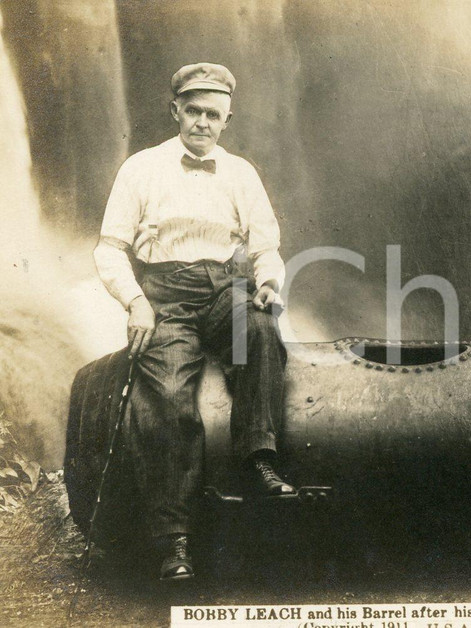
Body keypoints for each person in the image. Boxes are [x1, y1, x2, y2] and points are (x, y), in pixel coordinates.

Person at [93, 62, 295, 581]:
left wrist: (270, 282)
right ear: (175, 110)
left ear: (226, 119)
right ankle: (173, 537)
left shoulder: (241, 173)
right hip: (164, 295)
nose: (202, 122)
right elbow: (111, 248)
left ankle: (258, 458)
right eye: (193, 111)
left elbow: (266, 246)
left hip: (225, 287)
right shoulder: (140, 168)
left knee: (259, 332)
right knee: (165, 392)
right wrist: (135, 301)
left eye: (213, 114)